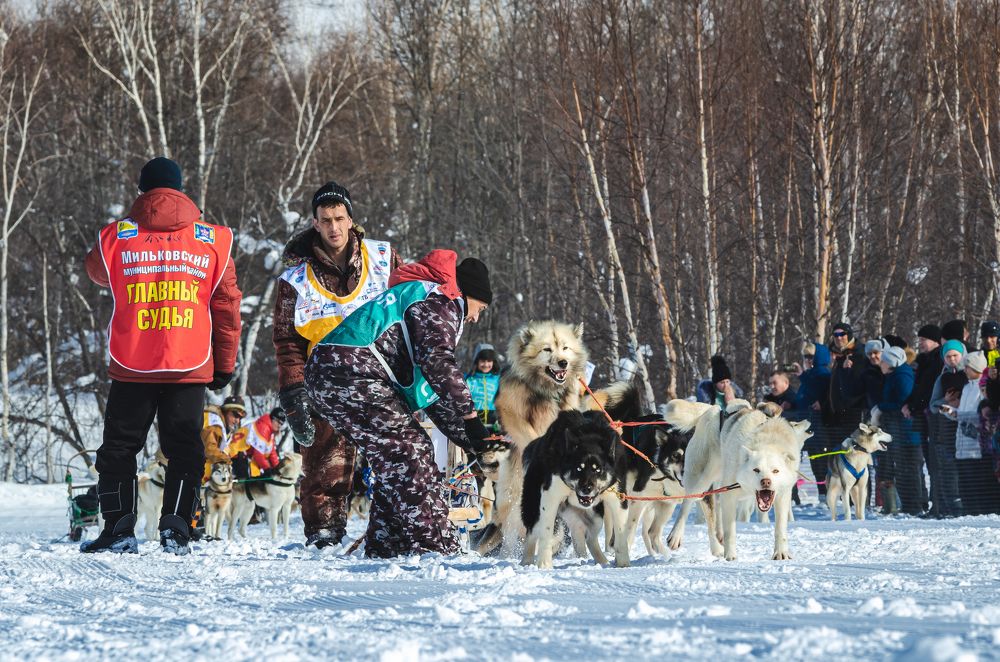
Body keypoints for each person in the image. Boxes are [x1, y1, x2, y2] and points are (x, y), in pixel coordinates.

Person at [80, 157, 242, 554]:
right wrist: (224, 364)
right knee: (186, 447)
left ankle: (118, 528)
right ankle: (177, 527)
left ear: (142, 191)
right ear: (182, 191)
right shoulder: (213, 240)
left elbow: (95, 272)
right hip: (189, 364)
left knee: (119, 448)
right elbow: (227, 306)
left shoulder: (116, 237)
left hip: (133, 362)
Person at [305, 250, 504, 558]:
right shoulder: (440, 300)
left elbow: (434, 397)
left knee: (395, 457)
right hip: (349, 371)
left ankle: (388, 545)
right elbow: (438, 362)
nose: (477, 317)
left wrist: (475, 440)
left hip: (336, 371)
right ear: (469, 294)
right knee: (411, 449)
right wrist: (472, 419)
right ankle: (437, 547)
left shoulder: (427, 299)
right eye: (481, 307)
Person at [273, 181, 403, 549]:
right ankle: (324, 537)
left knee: (393, 460)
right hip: (323, 385)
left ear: (351, 219)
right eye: (325, 219)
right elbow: (286, 342)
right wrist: (293, 391)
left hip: (381, 380)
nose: (333, 227)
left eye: (340, 218)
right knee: (324, 467)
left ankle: (394, 530)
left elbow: (410, 312)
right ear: (314, 223)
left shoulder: (384, 259)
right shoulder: (294, 279)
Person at [878, 346, 926, 516]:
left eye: (883, 360)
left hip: (907, 432)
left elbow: (903, 401)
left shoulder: (902, 376)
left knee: (910, 469)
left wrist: (881, 407)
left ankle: (915, 505)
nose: (880, 363)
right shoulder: (893, 375)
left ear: (891, 362)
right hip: (899, 431)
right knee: (904, 469)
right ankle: (909, 504)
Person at [904, 325, 942, 515]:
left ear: (935, 340)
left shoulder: (937, 360)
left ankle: (939, 503)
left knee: (935, 462)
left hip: (932, 416)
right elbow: (917, 386)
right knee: (929, 461)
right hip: (921, 414)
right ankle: (934, 503)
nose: (920, 344)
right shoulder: (922, 360)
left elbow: (927, 388)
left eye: (923, 340)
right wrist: (910, 403)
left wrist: (914, 404)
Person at [928, 339, 967, 517]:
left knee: (965, 469)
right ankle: (949, 507)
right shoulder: (942, 377)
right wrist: (946, 401)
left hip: (967, 428)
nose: (952, 359)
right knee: (947, 469)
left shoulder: (971, 373)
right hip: (947, 429)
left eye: (955, 356)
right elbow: (933, 404)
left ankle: (966, 505)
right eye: (948, 356)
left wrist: (961, 401)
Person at [794, 342, 831, 495]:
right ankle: (822, 494)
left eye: (811, 356)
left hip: (821, 428)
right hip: (810, 426)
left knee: (822, 463)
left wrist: (802, 376)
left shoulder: (822, 373)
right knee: (815, 463)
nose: (808, 360)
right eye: (805, 356)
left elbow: (819, 392)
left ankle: (828, 494)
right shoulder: (809, 375)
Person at [228, 407, 287, 478]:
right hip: (235, 455)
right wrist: (268, 469)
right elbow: (258, 454)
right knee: (248, 484)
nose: (279, 425)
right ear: (272, 418)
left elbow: (271, 452)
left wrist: (278, 468)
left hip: (244, 456)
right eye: (278, 421)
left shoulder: (269, 431)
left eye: (282, 423)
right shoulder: (263, 428)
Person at [201, 395, 246, 483]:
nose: (237, 420)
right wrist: (228, 463)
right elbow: (210, 450)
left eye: (240, 417)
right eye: (235, 415)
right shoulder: (214, 424)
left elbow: (224, 451)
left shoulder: (226, 428)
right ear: (226, 411)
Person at [465, 345, 501, 426]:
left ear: (493, 362)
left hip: (495, 423)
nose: (486, 364)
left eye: (489, 361)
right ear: (477, 361)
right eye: (483, 361)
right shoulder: (468, 380)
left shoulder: (499, 379)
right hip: (474, 422)